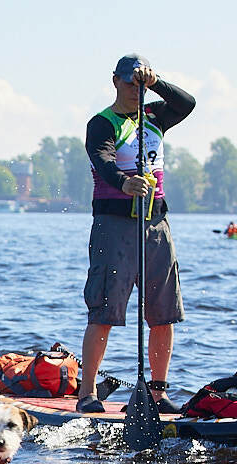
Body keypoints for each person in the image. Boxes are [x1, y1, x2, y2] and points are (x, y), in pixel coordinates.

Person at [77, 53, 195, 415]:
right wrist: (125, 182)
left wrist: (156, 81)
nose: (135, 89)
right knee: (105, 310)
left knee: (163, 313)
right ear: (115, 81)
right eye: (130, 82)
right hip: (115, 226)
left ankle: (156, 394)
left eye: (140, 84)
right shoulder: (102, 122)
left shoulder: (157, 117)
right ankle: (87, 394)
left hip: (156, 225)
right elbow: (102, 159)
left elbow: (187, 103)